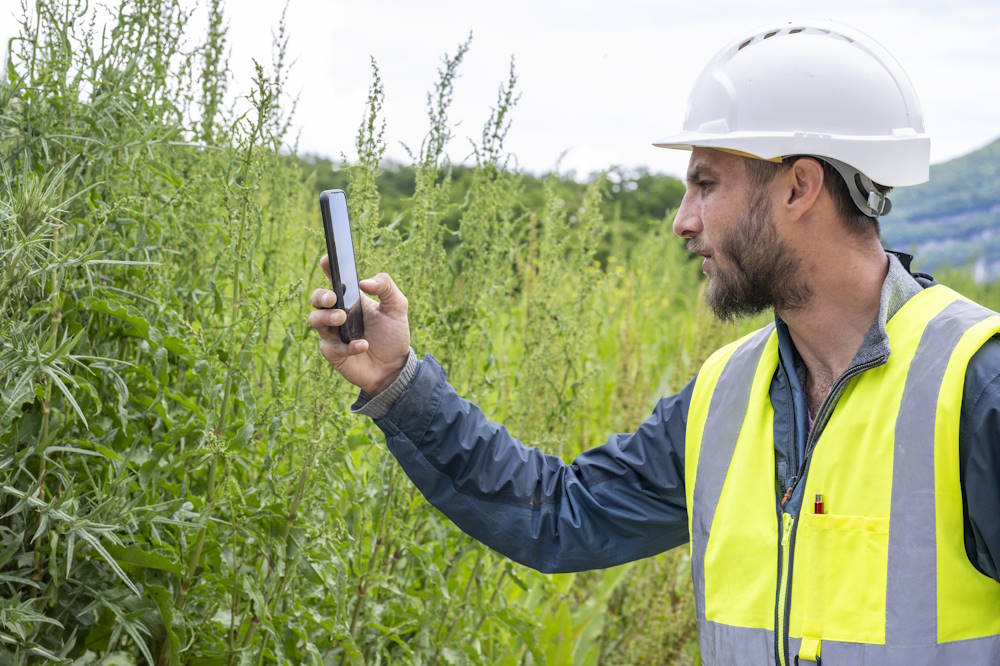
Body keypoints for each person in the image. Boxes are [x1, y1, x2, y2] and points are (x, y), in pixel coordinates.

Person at [308, 19, 1000, 666]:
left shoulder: (974, 385)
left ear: (799, 187)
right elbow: (561, 515)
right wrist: (396, 381)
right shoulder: (725, 394)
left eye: (705, 184)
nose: (681, 221)